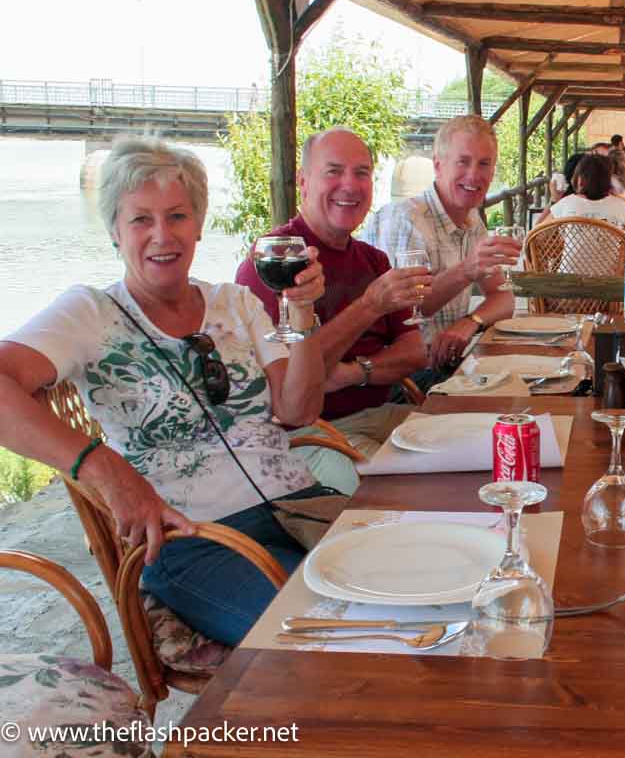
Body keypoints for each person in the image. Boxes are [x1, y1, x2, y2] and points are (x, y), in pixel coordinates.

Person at [0, 138, 329, 645]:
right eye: (139, 220)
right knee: (322, 637)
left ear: (198, 225)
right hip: (191, 539)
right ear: (113, 231)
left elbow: (299, 409)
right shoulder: (89, 312)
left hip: (297, 505)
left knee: (409, 587)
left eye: (177, 216)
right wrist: (104, 467)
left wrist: (301, 315)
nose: (161, 236)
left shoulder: (237, 303)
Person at [236, 128, 431, 493]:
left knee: (464, 448)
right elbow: (293, 385)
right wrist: (370, 305)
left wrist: (354, 372)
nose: (350, 185)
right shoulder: (274, 261)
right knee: (393, 494)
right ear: (303, 181)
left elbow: (415, 352)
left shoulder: (374, 259)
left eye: (362, 173)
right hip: (309, 435)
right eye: (334, 171)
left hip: (380, 412)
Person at [361, 115, 521, 386]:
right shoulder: (405, 220)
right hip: (400, 378)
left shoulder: (472, 220)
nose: (474, 174)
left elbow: (504, 298)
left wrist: (472, 320)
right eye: (463, 161)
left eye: (484, 164)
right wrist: (467, 270)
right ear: (438, 165)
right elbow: (402, 311)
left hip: (447, 367)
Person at [537, 154, 625, 228]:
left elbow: (536, 236)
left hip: (567, 254)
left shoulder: (566, 204)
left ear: (580, 180)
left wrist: (554, 199)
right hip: (612, 255)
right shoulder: (621, 206)